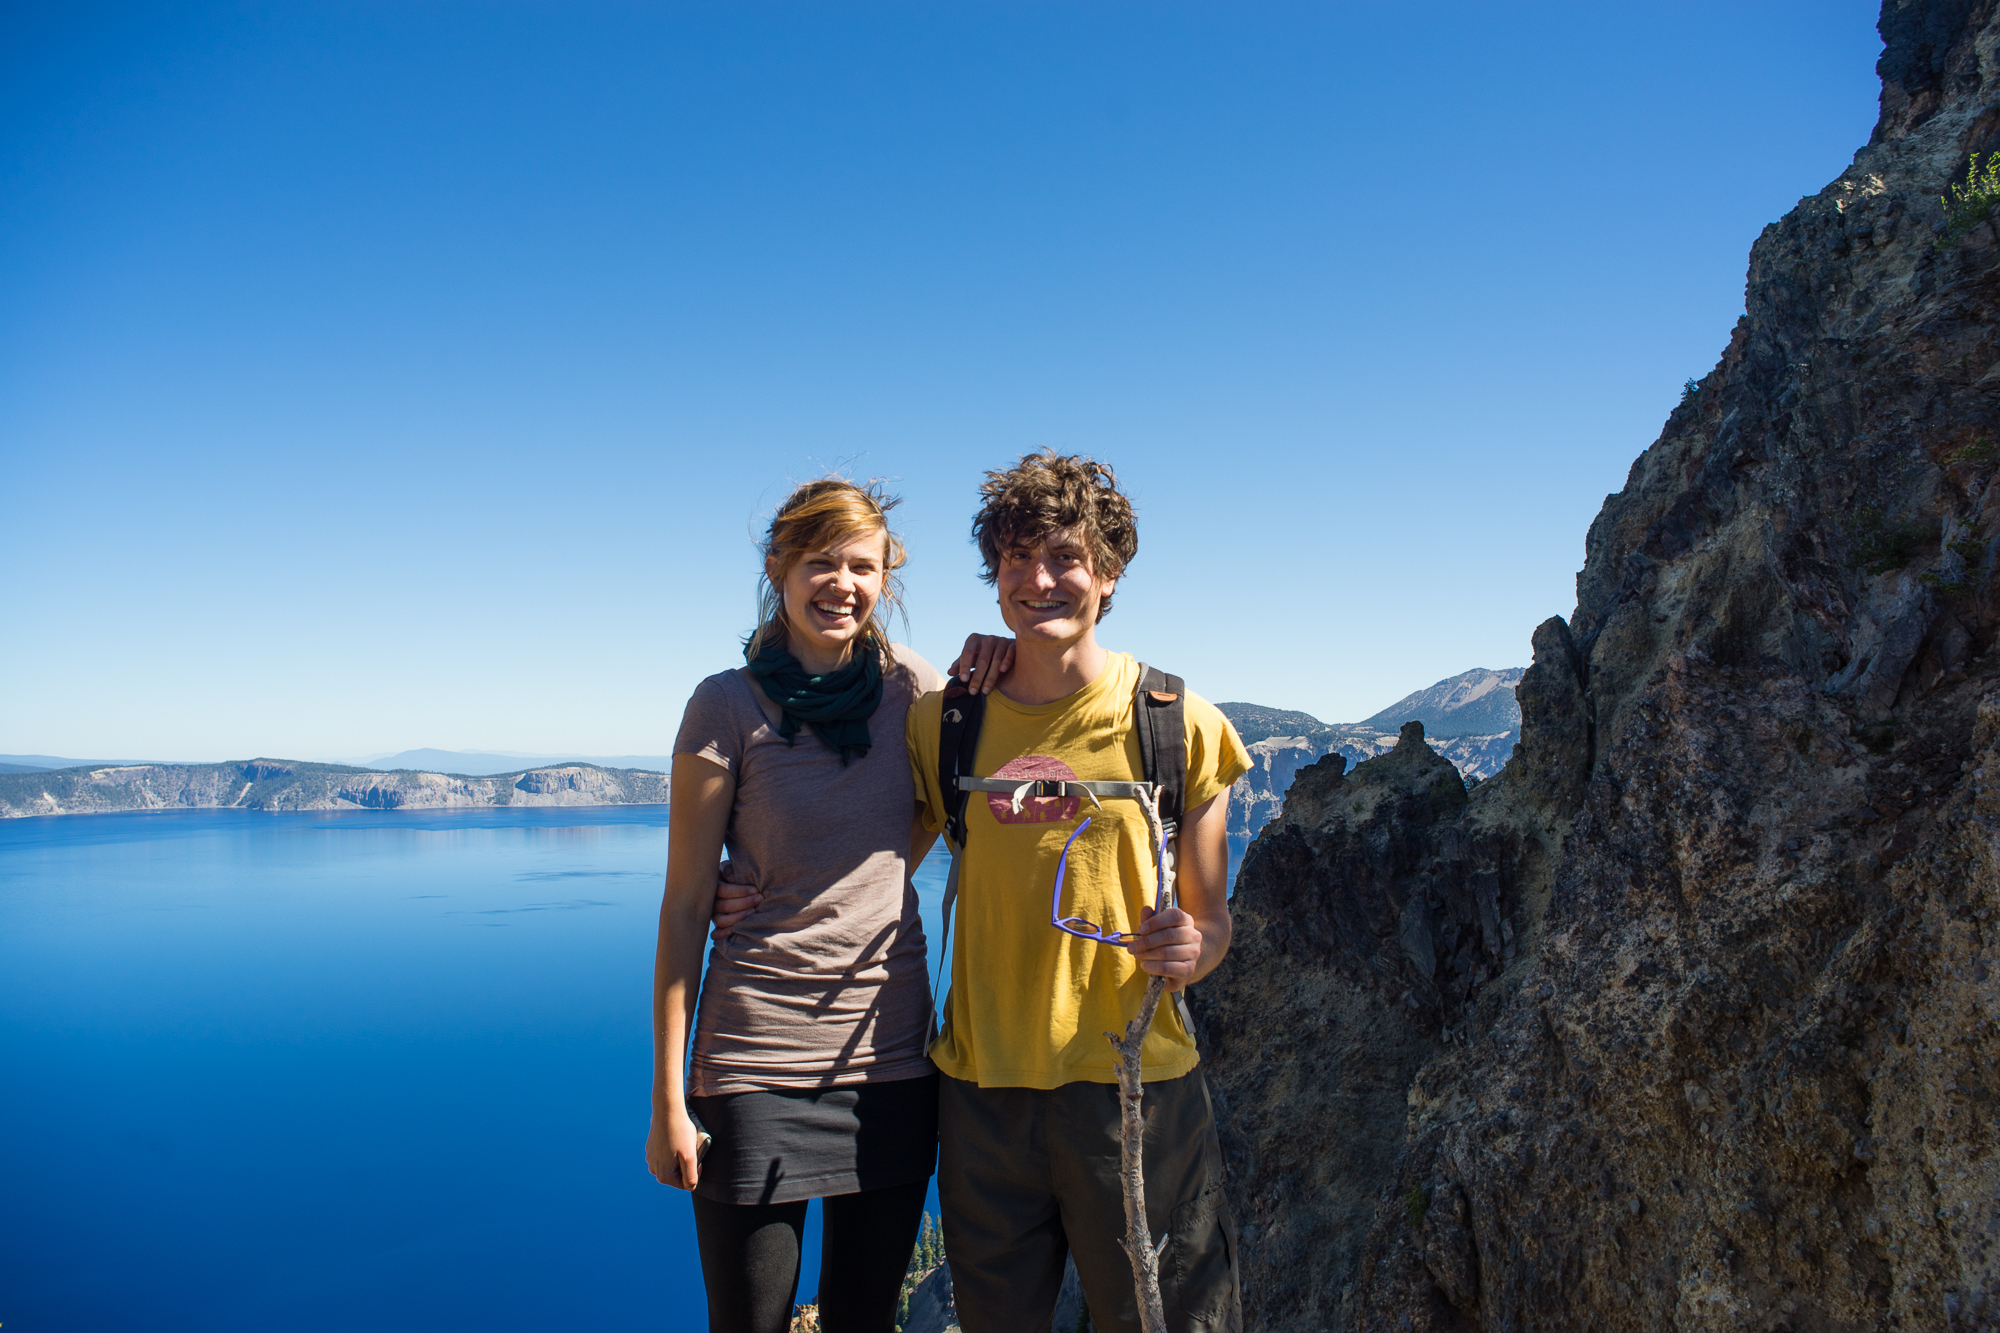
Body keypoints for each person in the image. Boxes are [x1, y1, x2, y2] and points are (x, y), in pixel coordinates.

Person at [647, 477, 1010, 1333]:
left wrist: (1000, 651)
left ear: (886, 574)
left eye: (861, 563)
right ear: (778, 567)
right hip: (753, 1060)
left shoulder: (918, 692)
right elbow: (686, 901)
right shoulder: (725, 704)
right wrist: (668, 1093)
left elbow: (931, 817)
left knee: (863, 1320)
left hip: (889, 1059)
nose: (840, 582)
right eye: (819, 562)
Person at [905, 451, 1251, 1333]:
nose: (1038, 578)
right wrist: (743, 886)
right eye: (1015, 558)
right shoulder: (947, 721)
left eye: (1063, 555)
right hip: (982, 1091)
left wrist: (1195, 948)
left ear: (1108, 569)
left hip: (1133, 1088)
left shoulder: (1177, 722)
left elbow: (1212, 925)